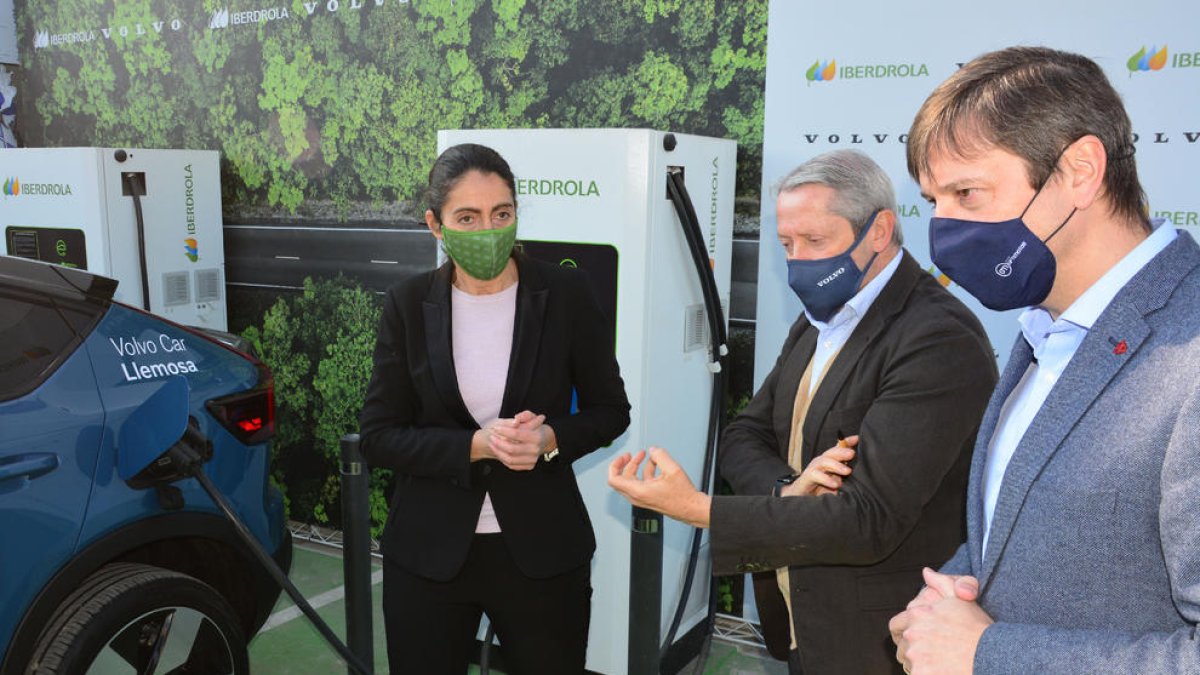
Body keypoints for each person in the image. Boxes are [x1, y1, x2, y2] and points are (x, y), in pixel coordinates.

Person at [608, 149, 997, 674]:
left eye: (816, 242)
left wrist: (697, 509)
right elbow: (745, 433)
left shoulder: (938, 339)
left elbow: (869, 520)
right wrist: (786, 490)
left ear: (879, 231)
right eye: (788, 244)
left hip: (880, 638)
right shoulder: (822, 319)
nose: (799, 263)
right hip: (800, 618)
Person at [887, 45, 1200, 675]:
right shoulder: (1044, 327)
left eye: (967, 192)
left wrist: (987, 653)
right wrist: (943, 604)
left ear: (1080, 171)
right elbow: (1019, 538)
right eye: (932, 201)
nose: (943, 231)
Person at [359, 143, 630, 675]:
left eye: (501, 214)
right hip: (429, 554)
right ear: (435, 225)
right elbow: (379, 434)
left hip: (542, 550)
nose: (488, 229)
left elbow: (610, 409)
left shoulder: (565, 292)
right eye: (468, 217)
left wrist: (550, 439)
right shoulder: (409, 304)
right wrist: (475, 446)